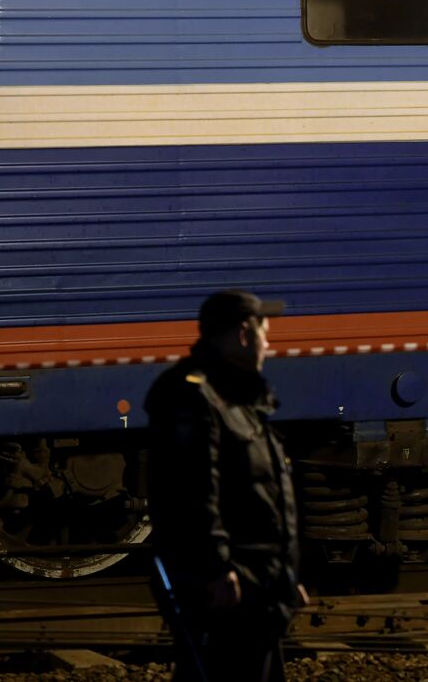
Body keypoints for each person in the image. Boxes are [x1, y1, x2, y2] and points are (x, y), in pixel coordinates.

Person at [146, 290, 304, 682]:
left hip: (258, 585)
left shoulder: (240, 397)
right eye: (266, 333)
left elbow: (264, 490)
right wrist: (215, 568)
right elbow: (193, 489)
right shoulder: (192, 396)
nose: (271, 343)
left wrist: (285, 577)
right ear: (244, 335)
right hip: (228, 589)